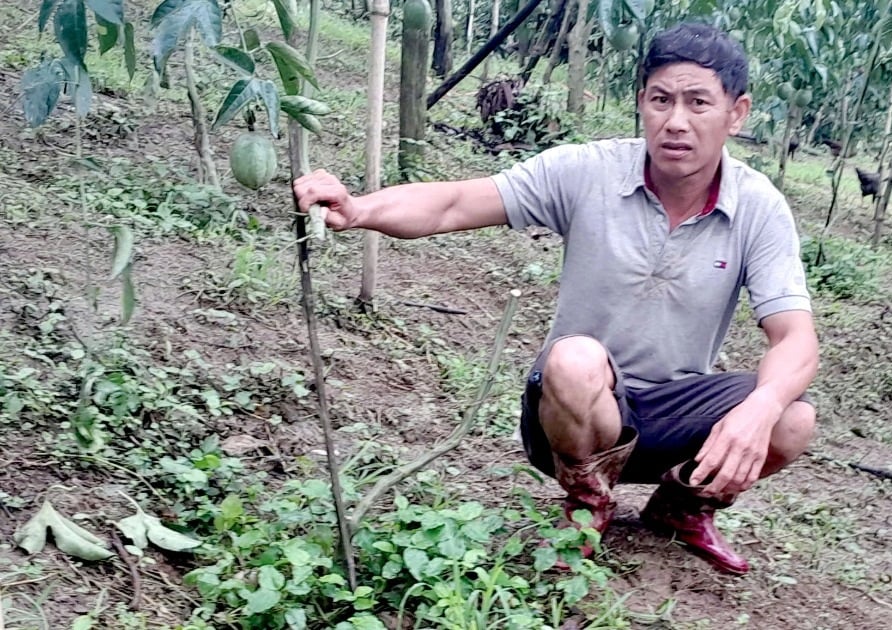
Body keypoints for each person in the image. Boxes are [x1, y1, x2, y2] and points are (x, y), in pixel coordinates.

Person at [293, 22, 819, 576]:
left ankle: (680, 506)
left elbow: (795, 337)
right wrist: (360, 210)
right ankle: (587, 500)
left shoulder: (758, 207)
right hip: (575, 413)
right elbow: (454, 203)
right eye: (661, 100)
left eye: (698, 103)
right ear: (641, 102)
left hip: (673, 415)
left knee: (792, 418)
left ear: (736, 114)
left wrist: (759, 409)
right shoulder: (586, 171)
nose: (676, 122)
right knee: (573, 359)